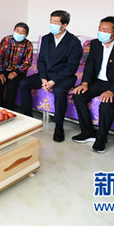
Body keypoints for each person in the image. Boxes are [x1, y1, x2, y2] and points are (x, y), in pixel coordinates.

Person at [71, 16, 114, 153]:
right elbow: (90, 65)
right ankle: (88, 132)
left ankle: (101, 137)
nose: (101, 32)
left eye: (105, 30)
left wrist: (111, 91)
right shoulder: (95, 44)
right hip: (100, 82)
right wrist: (85, 83)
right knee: (78, 95)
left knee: (106, 103)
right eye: (100, 29)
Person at [18, 10, 83, 142]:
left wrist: (53, 81)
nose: (52, 24)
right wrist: (43, 78)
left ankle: (59, 126)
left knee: (59, 90)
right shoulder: (46, 39)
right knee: (24, 83)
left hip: (64, 76)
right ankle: (28, 116)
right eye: (51, 21)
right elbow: (41, 60)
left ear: (64, 25)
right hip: (46, 74)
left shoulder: (74, 42)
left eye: (56, 22)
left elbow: (71, 67)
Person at [0, 22, 34, 110]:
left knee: (11, 85)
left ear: (26, 34)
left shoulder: (28, 45)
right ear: (14, 30)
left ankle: (8, 110)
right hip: (4, 69)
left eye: (22, 32)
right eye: (17, 30)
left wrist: (16, 72)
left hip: (19, 71)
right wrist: (0, 72)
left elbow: (27, 63)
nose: (19, 33)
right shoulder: (6, 39)